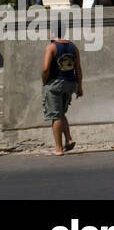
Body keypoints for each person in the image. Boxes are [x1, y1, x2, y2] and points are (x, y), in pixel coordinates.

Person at [41, 26, 82, 155]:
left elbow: (45, 68)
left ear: (53, 32)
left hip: (55, 84)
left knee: (55, 115)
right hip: (70, 84)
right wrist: (79, 87)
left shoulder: (51, 47)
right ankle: (68, 140)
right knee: (61, 112)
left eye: (49, 30)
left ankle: (58, 149)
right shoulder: (73, 47)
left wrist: (44, 81)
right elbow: (78, 69)